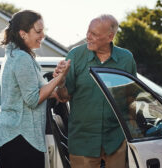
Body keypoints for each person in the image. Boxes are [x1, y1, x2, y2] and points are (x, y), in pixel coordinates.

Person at [0, 10, 70, 168]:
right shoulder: (21, 58)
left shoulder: (14, 54)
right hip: (20, 137)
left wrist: (57, 83)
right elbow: (33, 99)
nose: (43, 36)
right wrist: (59, 78)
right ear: (23, 33)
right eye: (38, 31)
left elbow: (32, 91)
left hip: (13, 136)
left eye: (43, 31)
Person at [54, 14, 137, 168]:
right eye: (88, 31)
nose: (88, 37)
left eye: (94, 34)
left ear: (110, 36)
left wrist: (133, 132)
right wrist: (61, 81)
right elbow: (63, 96)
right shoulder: (75, 55)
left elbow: (131, 98)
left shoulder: (126, 58)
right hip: (83, 140)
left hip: (116, 140)